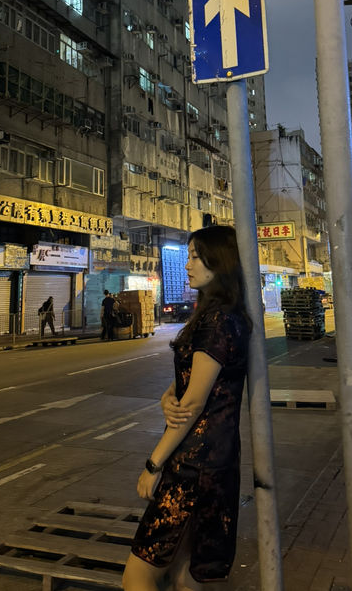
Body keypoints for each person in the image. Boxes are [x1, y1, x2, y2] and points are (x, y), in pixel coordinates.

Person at [123, 225, 251, 591]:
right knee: (186, 575)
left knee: (138, 574)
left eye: (196, 257)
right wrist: (169, 393)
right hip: (216, 460)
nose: (188, 264)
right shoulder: (222, 315)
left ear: (219, 262)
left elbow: (193, 404)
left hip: (194, 465)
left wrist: (153, 464)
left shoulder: (218, 320)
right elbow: (198, 378)